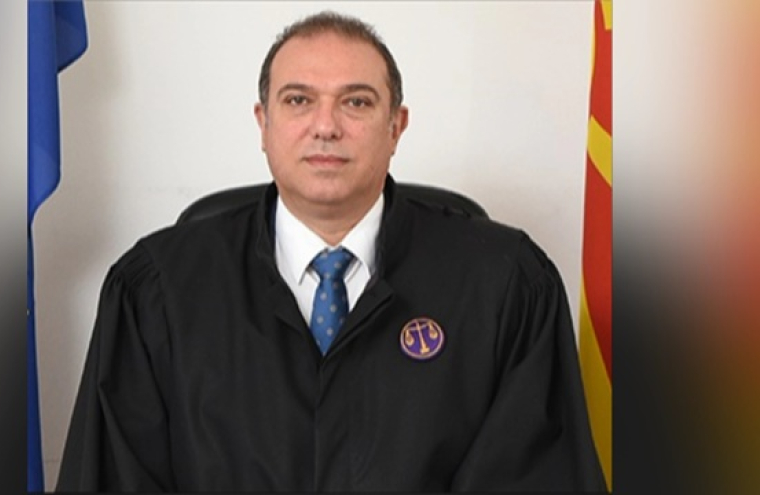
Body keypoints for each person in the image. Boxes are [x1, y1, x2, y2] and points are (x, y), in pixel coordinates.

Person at [56, 11, 606, 492]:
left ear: (396, 126)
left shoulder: (505, 287)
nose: (325, 126)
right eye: (298, 100)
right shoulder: (157, 294)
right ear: (264, 123)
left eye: (356, 102)